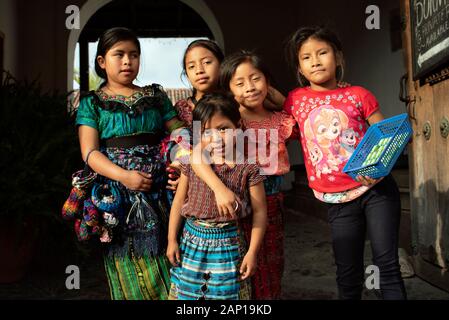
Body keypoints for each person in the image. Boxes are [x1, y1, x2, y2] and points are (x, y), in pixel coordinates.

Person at [283, 25, 407, 300]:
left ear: (338, 57)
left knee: (387, 267)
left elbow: (387, 134)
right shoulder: (294, 100)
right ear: (300, 68)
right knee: (347, 273)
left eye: (322, 52)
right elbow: (283, 129)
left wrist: (375, 168)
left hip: (376, 191)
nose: (315, 61)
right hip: (337, 199)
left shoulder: (359, 95)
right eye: (306, 57)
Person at [75, 27, 184, 300]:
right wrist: (124, 176)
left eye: (134, 55)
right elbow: (89, 152)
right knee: (127, 262)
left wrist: (182, 162)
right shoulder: (93, 103)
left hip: (159, 190)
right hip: (118, 196)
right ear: (102, 61)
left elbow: (181, 133)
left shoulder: (155, 96)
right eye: (119, 54)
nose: (127, 61)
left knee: (169, 256)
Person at [191, 51, 297, 299]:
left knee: (269, 262)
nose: (249, 87)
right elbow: (196, 155)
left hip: (270, 201)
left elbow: (305, 121)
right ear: (228, 89)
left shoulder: (281, 120)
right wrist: (219, 189)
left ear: (267, 81)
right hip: (234, 203)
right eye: (239, 83)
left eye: (256, 79)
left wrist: (281, 99)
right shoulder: (226, 122)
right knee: (236, 267)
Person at [166, 92, 267, 300]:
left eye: (223, 129)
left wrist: (252, 252)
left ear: (238, 126)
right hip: (191, 243)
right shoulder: (191, 166)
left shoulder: (248, 169)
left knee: (228, 297)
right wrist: (171, 240)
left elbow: (260, 211)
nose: (215, 138)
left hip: (229, 245)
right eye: (206, 132)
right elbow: (178, 203)